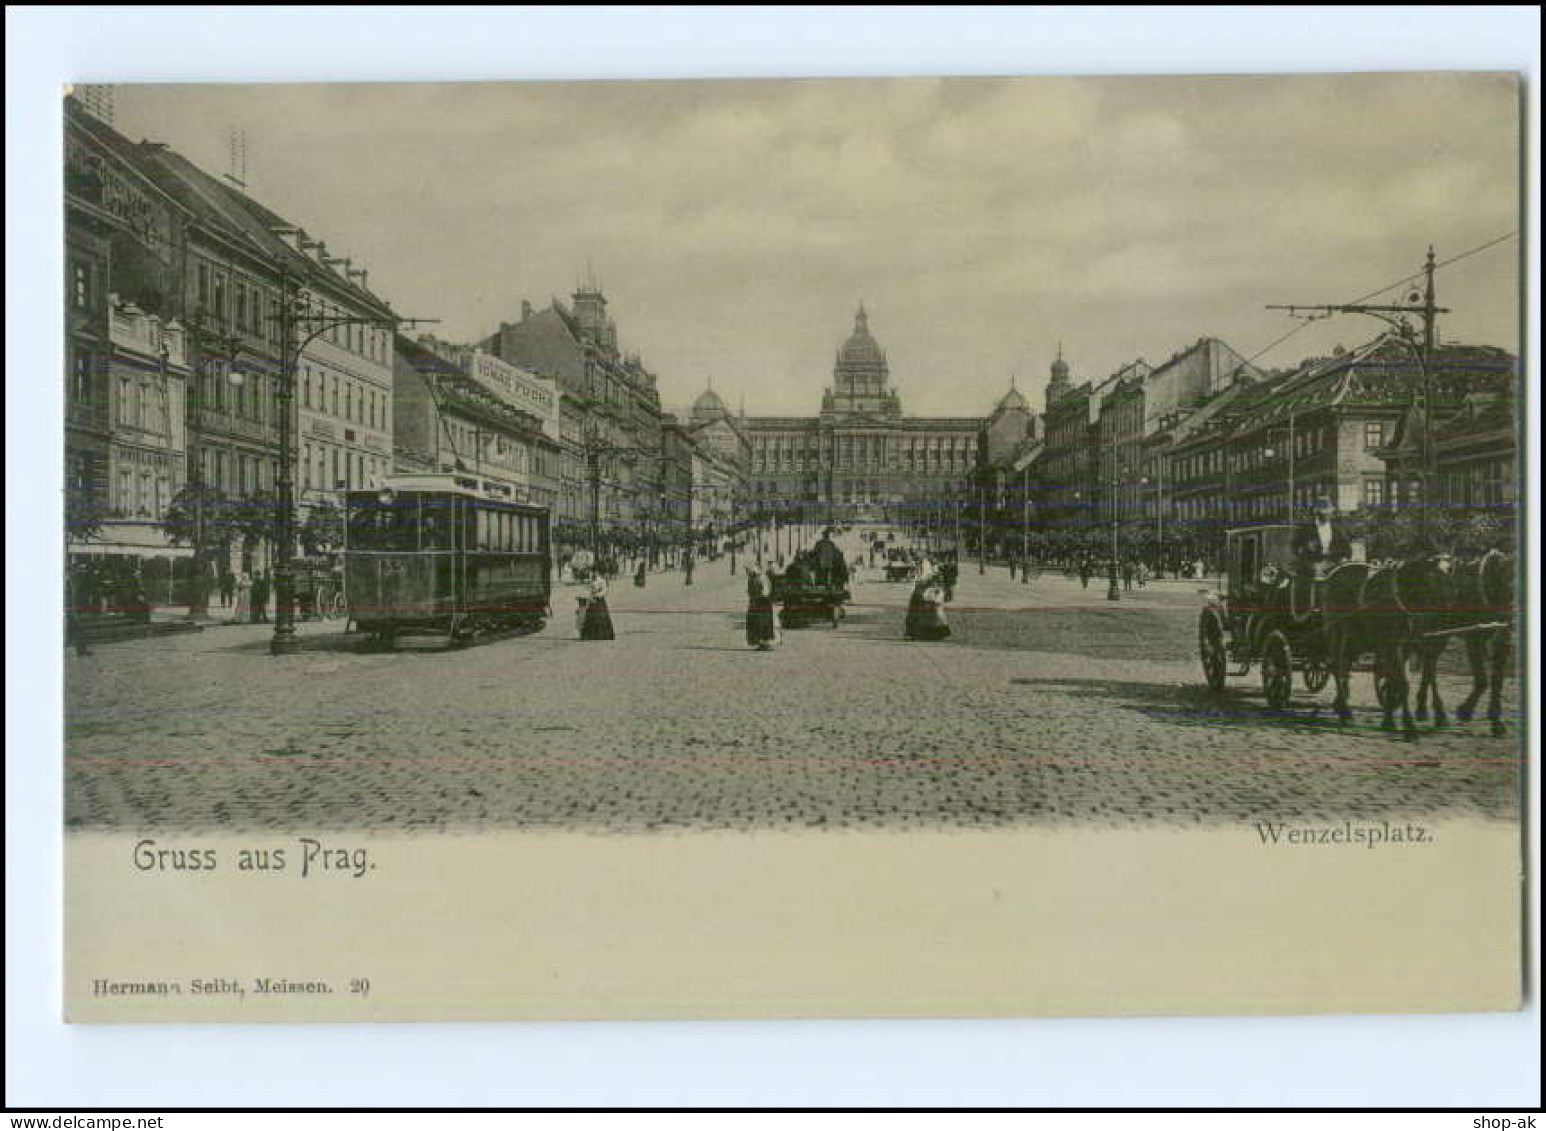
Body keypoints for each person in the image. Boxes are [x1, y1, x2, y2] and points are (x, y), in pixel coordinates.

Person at [1291, 495, 1352, 573]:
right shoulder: (1306, 528)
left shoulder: (1336, 529)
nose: (1327, 515)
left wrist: (1344, 559)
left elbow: (1347, 549)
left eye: (1329, 513)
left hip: (1333, 566)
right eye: (1324, 513)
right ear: (1317, 513)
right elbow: (1295, 546)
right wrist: (1309, 563)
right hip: (1311, 567)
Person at [904, 562, 951, 641]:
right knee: (918, 616)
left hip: (925, 600)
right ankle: (913, 633)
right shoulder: (925, 572)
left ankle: (920, 633)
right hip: (920, 598)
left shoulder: (929, 575)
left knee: (931, 616)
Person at [744, 564, 779, 650]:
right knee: (757, 623)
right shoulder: (753, 579)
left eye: (749, 572)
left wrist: (755, 596)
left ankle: (765, 642)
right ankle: (761, 642)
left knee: (763, 623)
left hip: (762, 603)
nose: (748, 574)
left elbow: (765, 592)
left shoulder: (761, 578)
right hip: (758, 603)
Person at [579, 573, 615, 640]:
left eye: (595, 573)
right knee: (590, 616)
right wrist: (590, 595)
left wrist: (598, 595)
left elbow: (605, 590)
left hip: (600, 601)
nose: (593, 574)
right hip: (593, 600)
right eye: (592, 573)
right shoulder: (592, 581)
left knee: (601, 616)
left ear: (598, 573)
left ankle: (602, 635)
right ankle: (591, 635)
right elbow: (589, 590)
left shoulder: (601, 581)